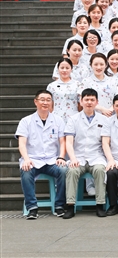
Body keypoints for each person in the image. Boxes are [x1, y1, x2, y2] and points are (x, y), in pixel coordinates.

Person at [17, 90, 67, 219]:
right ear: (36, 101)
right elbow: (22, 143)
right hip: (33, 159)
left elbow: (63, 141)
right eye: (42, 100)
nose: (45, 102)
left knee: (63, 170)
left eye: (48, 100)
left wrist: (61, 157)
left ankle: (60, 205)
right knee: (26, 171)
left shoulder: (58, 120)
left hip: (51, 160)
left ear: (52, 102)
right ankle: (32, 207)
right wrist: (26, 159)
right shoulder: (26, 121)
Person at [62, 88, 109, 219]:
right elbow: (69, 142)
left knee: (100, 170)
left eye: (92, 100)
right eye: (86, 99)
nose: (89, 102)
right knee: (72, 171)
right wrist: (73, 158)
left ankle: (100, 205)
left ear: (97, 102)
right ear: (81, 101)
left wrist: (109, 159)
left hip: (96, 156)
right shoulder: (73, 119)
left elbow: (105, 143)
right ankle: (70, 206)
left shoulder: (103, 120)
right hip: (78, 156)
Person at [47, 58, 81, 122]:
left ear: (71, 69)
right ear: (58, 69)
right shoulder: (51, 86)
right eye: (62, 68)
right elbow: (50, 104)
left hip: (74, 118)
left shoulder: (78, 85)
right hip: (56, 118)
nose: (64, 70)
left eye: (67, 68)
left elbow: (80, 104)